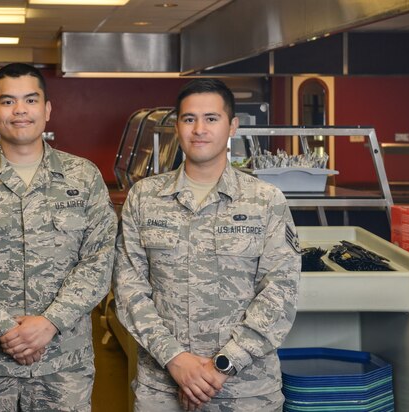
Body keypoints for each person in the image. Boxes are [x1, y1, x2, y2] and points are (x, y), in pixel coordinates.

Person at [0, 63, 117, 411]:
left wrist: (50, 322)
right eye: (8, 102)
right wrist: (3, 327)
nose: (20, 110)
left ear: (47, 110)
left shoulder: (83, 177)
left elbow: (100, 260)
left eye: (31, 100)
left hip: (63, 365)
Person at [112, 78, 301, 411]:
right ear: (177, 126)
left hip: (246, 391)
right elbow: (128, 290)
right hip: (162, 387)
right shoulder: (144, 198)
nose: (199, 129)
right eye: (189, 119)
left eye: (211, 119)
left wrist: (223, 365)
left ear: (232, 127)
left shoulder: (266, 200)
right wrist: (176, 360)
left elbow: (280, 293)